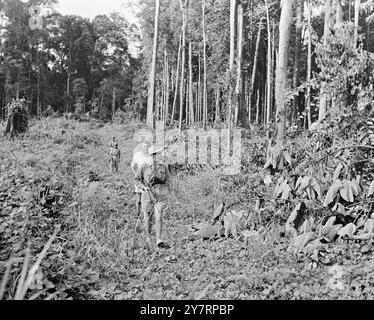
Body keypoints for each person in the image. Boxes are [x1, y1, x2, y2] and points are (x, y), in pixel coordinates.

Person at [134, 144, 170, 248]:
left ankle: (159, 239)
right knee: (148, 217)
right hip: (147, 195)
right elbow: (137, 179)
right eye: (156, 155)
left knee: (158, 217)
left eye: (159, 154)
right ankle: (148, 236)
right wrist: (143, 187)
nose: (158, 156)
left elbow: (168, 181)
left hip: (160, 196)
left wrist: (165, 191)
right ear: (152, 156)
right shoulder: (144, 166)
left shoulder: (163, 167)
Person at [131, 140, 153, 219]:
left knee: (146, 199)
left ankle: (146, 216)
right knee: (139, 199)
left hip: (147, 181)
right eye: (144, 146)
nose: (146, 148)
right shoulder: (137, 155)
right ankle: (138, 214)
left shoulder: (151, 156)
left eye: (147, 146)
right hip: (139, 179)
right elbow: (133, 166)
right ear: (142, 147)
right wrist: (136, 175)